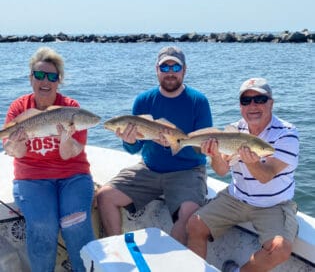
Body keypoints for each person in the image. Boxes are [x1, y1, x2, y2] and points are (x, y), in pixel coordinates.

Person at [97, 46, 213, 245]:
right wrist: (129, 140)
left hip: (187, 171)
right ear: (156, 70)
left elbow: (201, 149)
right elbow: (134, 149)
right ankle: (118, 253)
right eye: (164, 67)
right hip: (149, 169)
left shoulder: (198, 101)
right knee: (104, 197)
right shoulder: (143, 100)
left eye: (175, 67)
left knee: (187, 217)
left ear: (184, 70)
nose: (169, 73)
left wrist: (174, 143)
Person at [186, 78, 299, 271]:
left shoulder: (286, 134)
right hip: (236, 198)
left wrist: (249, 160)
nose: (253, 105)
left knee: (280, 249)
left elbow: (266, 176)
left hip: (272, 204)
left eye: (260, 99)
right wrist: (213, 155)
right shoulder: (234, 129)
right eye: (246, 101)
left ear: (271, 102)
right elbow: (221, 170)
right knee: (194, 225)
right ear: (240, 106)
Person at [3, 47, 95, 272]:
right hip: (31, 178)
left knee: (75, 223)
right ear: (30, 77)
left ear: (59, 80)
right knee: (43, 225)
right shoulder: (19, 108)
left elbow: (68, 153)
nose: (46, 81)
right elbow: (16, 152)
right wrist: (16, 142)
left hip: (73, 176)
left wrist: (65, 137)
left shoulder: (71, 108)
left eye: (52, 76)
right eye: (39, 75)